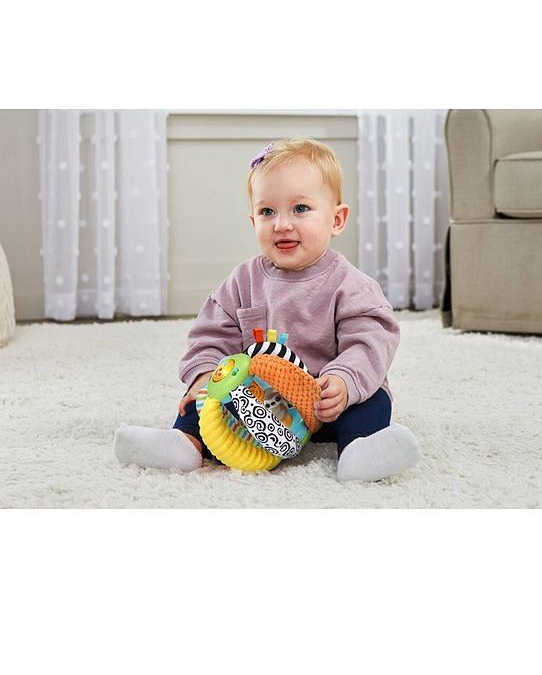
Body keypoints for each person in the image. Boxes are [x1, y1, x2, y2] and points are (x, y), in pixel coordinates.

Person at [114, 138, 420, 481]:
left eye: (300, 208)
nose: (282, 224)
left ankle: (358, 452)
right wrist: (204, 376)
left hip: (329, 404)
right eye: (267, 212)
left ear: (336, 219)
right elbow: (210, 336)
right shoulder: (243, 281)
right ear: (253, 221)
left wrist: (345, 381)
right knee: (205, 399)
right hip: (258, 406)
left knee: (373, 400)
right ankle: (183, 444)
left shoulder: (352, 285)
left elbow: (371, 341)